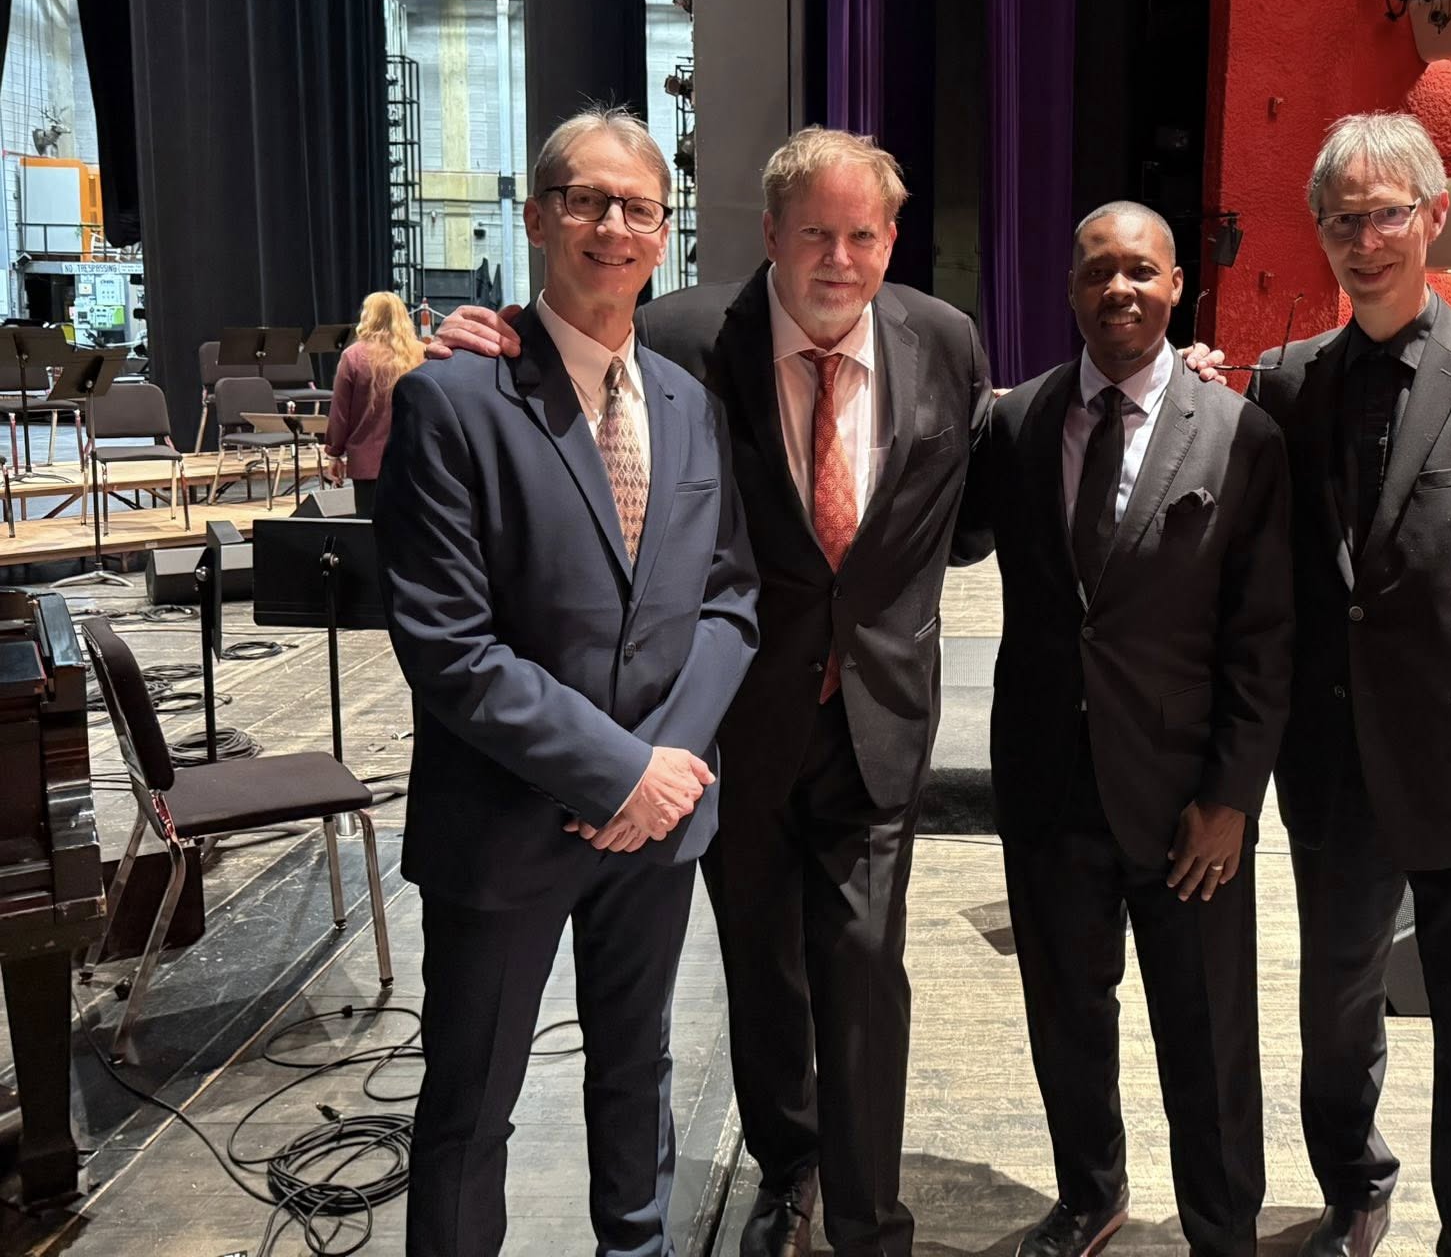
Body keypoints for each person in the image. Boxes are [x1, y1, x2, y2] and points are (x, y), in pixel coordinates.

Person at [430, 126, 992, 1257]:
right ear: (769, 234)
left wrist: (1160, 381)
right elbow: (570, 358)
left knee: (862, 971)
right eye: (816, 233)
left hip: (867, 721)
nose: (839, 258)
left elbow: (974, 509)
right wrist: (477, 337)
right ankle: (789, 1170)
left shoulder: (944, 340)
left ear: (891, 240)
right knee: (759, 967)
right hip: (729, 729)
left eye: (863, 235)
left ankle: (868, 1220)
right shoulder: (684, 337)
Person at [1198, 111, 1451, 1257]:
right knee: (1334, 1018)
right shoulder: (1283, 384)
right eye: (1340, 221)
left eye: (1383, 215)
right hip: (1330, 771)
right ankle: (1354, 1189)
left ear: (1433, 217)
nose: (1362, 242)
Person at [377, 106, 760, 1257]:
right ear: (539, 219)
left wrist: (665, 768)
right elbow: (448, 645)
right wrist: (615, 773)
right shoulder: (450, 399)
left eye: (637, 208)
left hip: (656, 827)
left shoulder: (689, 405)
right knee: (470, 1108)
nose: (612, 226)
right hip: (504, 819)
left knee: (638, 1072)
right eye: (585, 200)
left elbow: (729, 599)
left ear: (663, 234)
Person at [951, 203, 1291, 1257]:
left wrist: (1231, 798)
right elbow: (950, 530)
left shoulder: (1238, 434)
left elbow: (1264, 637)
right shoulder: (1018, 423)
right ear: (1069, 287)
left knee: (1207, 1030)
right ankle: (1088, 1195)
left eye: (1140, 270)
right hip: (1049, 785)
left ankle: (1222, 1230)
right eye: (1097, 270)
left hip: (1186, 798)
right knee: (1065, 1017)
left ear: (1176, 284)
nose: (1119, 290)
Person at [322, 289, 421, 514]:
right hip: (415, 461)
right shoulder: (421, 354)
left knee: (370, 530)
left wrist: (334, 453)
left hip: (368, 464)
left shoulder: (353, 356)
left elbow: (340, 413)